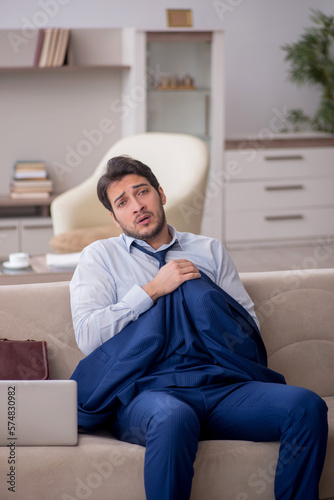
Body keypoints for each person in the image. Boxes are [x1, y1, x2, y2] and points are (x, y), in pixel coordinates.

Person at [70, 155, 328, 500]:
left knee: (306, 405)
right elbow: (89, 336)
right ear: (115, 219)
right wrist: (152, 290)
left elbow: (247, 331)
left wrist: (199, 292)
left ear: (161, 194)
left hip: (222, 387)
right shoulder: (99, 257)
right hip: (149, 394)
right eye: (123, 202)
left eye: (142, 192)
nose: (137, 206)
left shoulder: (209, 250)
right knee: (173, 417)